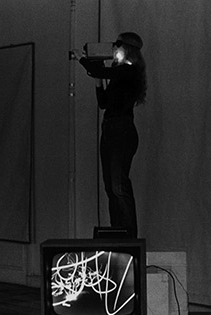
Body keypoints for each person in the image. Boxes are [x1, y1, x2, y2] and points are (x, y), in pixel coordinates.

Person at [72, 32, 147, 238]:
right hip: (111, 130)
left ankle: (129, 238)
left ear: (127, 48)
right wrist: (98, 81)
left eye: (117, 45)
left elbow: (100, 71)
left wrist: (82, 58)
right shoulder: (119, 73)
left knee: (118, 186)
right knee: (111, 187)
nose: (114, 49)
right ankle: (119, 234)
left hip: (121, 131)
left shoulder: (129, 71)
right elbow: (104, 103)